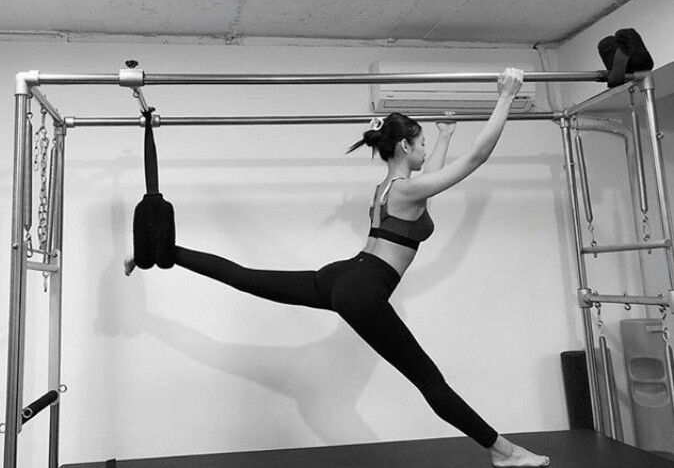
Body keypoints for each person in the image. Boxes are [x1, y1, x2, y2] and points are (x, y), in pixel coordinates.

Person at [125, 68, 549, 467]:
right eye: (419, 144)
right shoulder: (408, 189)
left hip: (341, 275)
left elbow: (429, 181)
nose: (423, 152)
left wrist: (442, 137)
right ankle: (505, 453)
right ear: (404, 146)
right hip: (361, 288)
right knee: (430, 381)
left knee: (245, 277)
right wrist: (505, 97)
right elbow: (476, 160)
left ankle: (158, 252)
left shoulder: (389, 188)